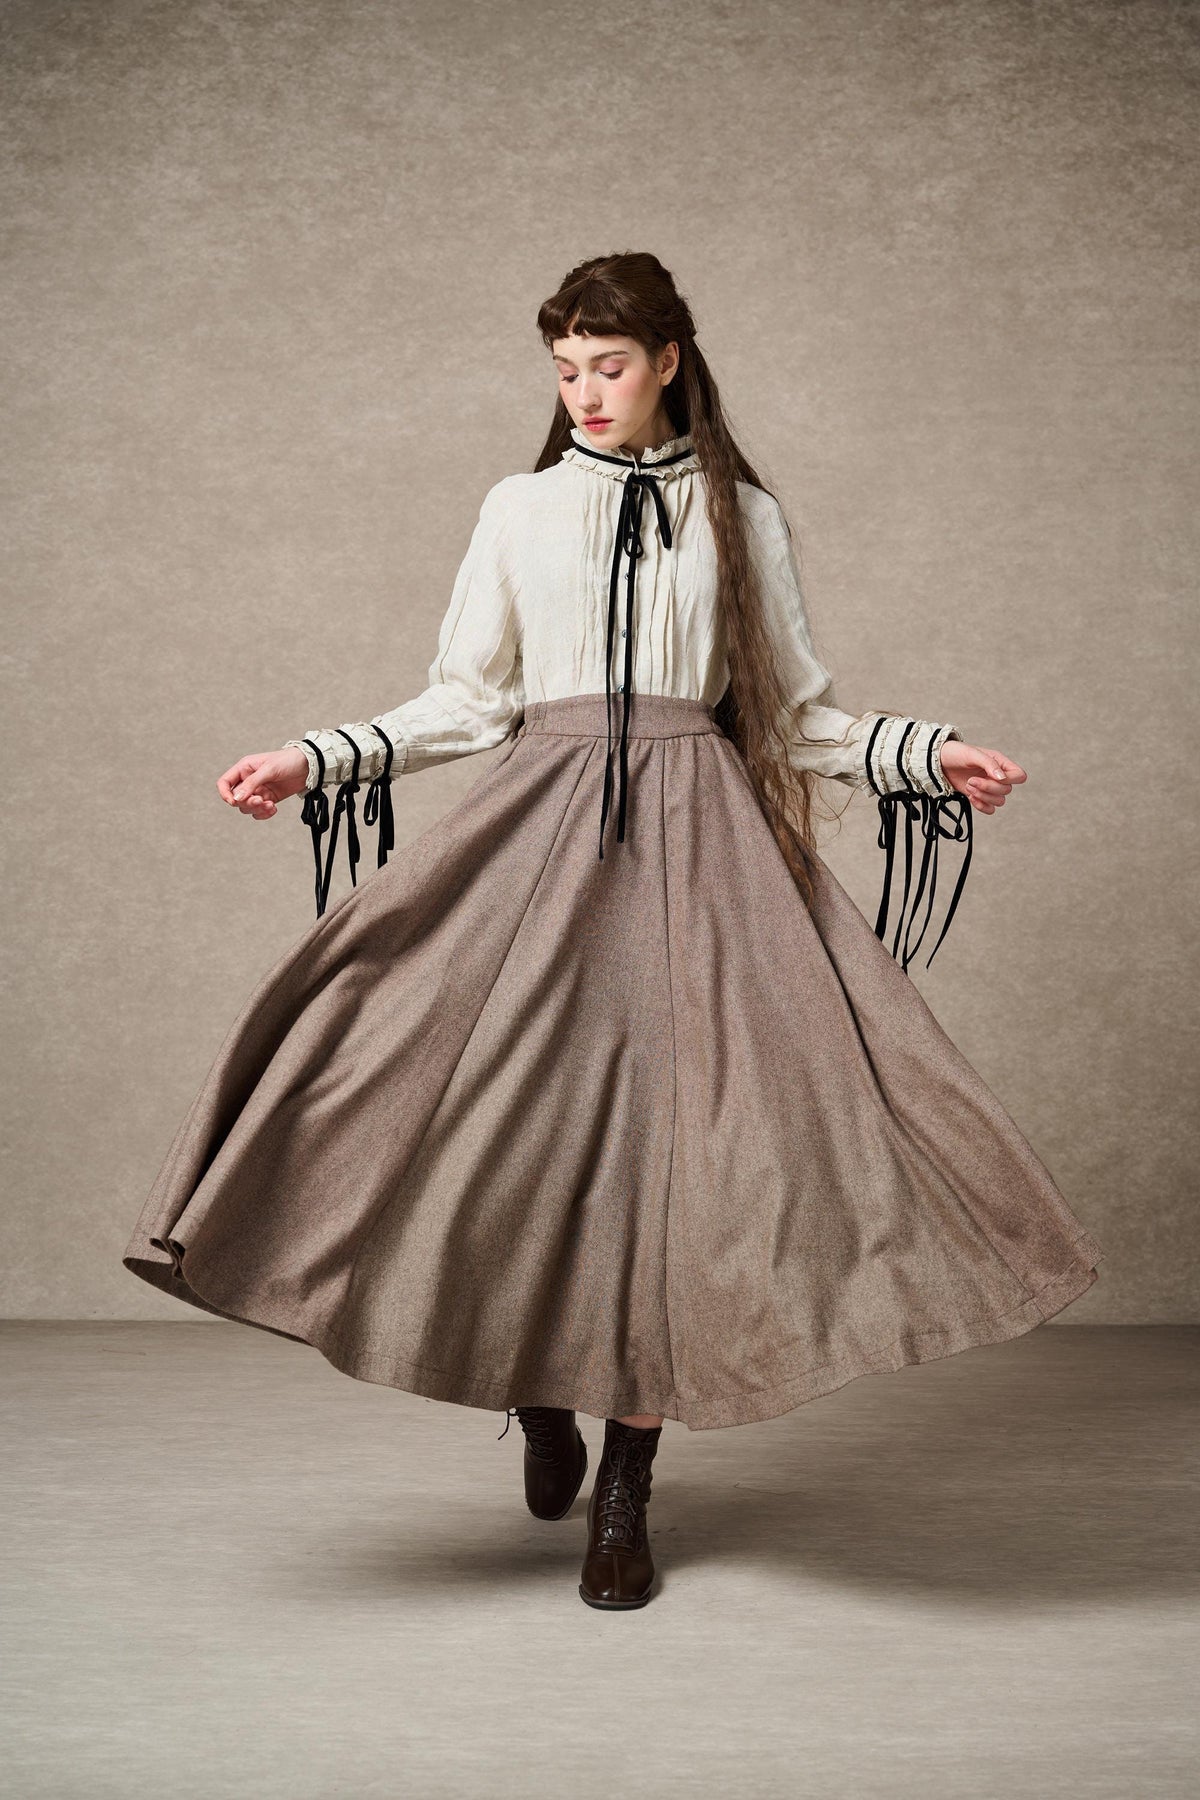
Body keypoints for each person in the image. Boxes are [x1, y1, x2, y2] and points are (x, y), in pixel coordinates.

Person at [123, 252, 1103, 1612]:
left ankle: (627, 1490)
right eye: (566, 370)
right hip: (540, 839)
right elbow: (468, 700)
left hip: (706, 854)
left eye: (610, 366)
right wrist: (312, 759)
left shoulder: (742, 515)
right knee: (481, 1117)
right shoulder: (520, 508)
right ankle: (540, 1390)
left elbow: (792, 714)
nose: (585, 393)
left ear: (669, 363)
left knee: (685, 1164)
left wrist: (926, 755)